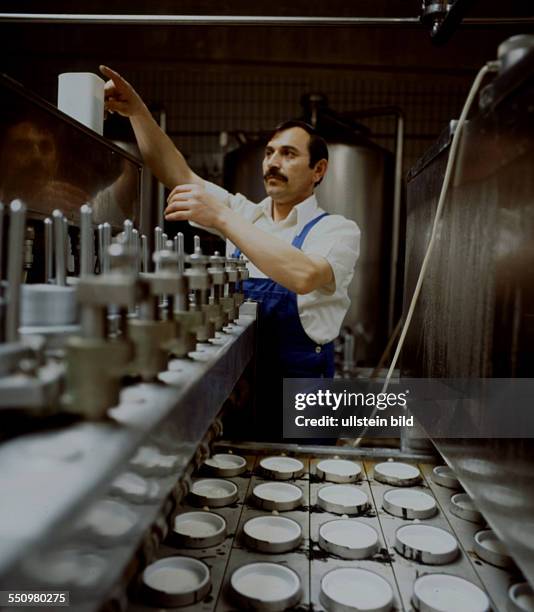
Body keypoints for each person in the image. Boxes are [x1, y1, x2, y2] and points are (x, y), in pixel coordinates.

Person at [100, 65, 360, 439]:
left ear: (318, 170)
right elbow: (176, 173)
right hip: (242, 383)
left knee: (306, 485)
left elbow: (303, 276)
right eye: (269, 153)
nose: (272, 162)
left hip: (305, 393)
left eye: (288, 154)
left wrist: (222, 217)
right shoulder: (246, 214)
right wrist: (138, 112)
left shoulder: (338, 230)